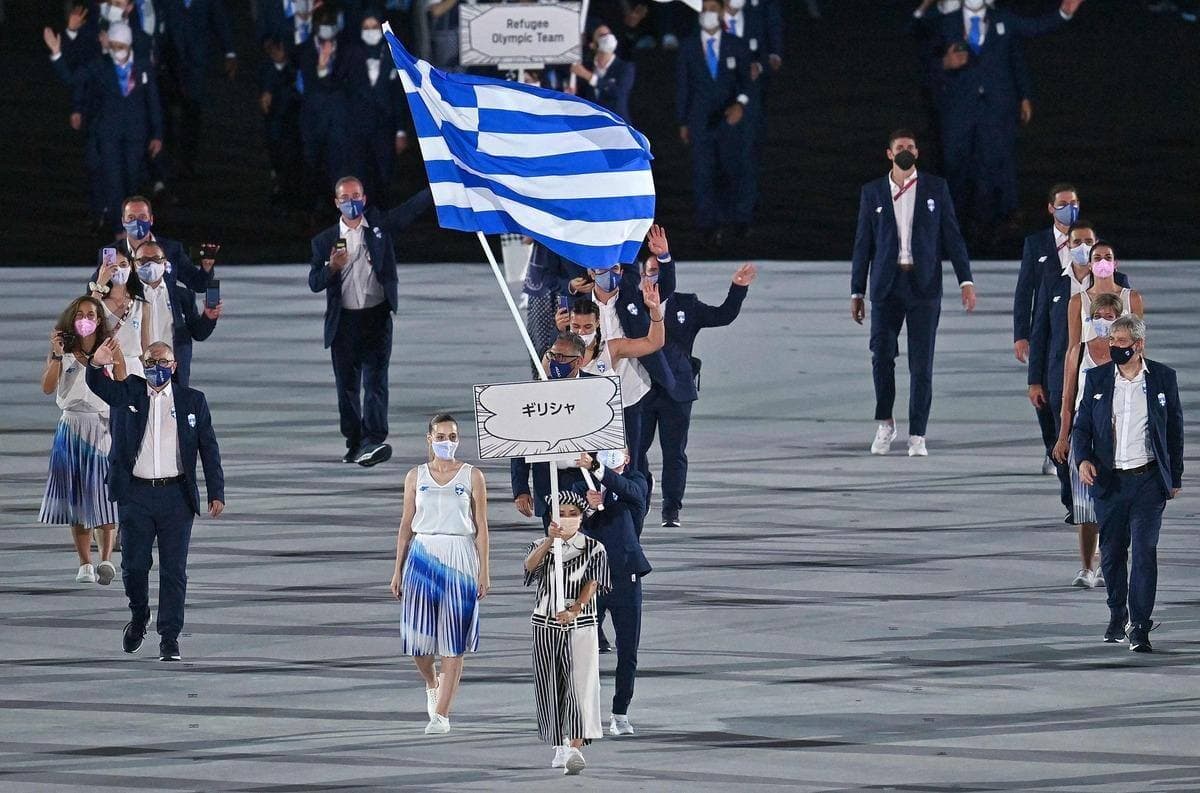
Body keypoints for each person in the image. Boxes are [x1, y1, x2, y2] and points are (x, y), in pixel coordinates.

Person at [87, 339, 225, 662]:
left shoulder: (193, 401)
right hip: (136, 495)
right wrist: (95, 364)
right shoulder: (130, 393)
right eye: (151, 362)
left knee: (174, 571)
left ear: (174, 366)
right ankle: (139, 615)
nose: (157, 368)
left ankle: (170, 637)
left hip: (176, 497)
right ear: (144, 365)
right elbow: (99, 386)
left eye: (164, 362)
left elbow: (208, 447)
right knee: (134, 566)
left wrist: (216, 491)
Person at [851, 129, 975, 457]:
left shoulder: (936, 188)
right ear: (889, 154)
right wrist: (856, 292)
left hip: (924, 288)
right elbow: (863, 244)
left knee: (922, 364)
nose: (905, 150)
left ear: (917, 153)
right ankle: (885, 423)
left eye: (910, 146)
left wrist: (965, 281)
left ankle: (917, 433)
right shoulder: (873, 192)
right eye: (899, 147)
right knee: (881, 357)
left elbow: (952, 236)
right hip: (886, 287)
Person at [923, 0, 1085, 245]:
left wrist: (1063, 13)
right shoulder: (945, 23)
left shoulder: (1003, 19)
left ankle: (993, 225)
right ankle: (954, 223)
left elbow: (1031, 31)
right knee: (956, 164)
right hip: (959, 108)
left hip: (996, 108)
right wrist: (945, 63)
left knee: (993, 164)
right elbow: (924, 59)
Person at [1071, 315, 1182, 652]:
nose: (1114, 347)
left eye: (1121, 342)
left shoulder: (1163, 378)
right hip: (1110, 483)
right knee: (1113, 554)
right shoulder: (1097, 379)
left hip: (1148, 481)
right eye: (1112, 341)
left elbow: (1174, 430)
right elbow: (1082, 427)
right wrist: (1083, 459)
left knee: (1145, 552)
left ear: (1139, 344)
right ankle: (1117, 613)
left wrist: (1174, 475)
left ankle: (1141, 626)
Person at [309, 178, 433, 466]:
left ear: (364, 199)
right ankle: (355, 442)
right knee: (347, 388)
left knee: (376, 382)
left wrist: (437, 185)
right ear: (336, 202)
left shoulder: (379, 227)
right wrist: (332, 267)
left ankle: (373, 441)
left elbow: (410, 210)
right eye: (345, 197)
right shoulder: (324, 241)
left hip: (376, 318)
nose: (351, 202)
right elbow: (314, 282)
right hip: (344, 324)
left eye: (356, 196)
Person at [389, 414, 490, 735]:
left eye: (453, 436)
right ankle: (432, 681)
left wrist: (484, 570)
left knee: (453, 639)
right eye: (441, 436)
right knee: (418, 641)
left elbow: (481, 526)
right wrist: (397, 569)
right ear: (429, 439)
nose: (448, 442)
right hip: (422, 554)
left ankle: (442, 715)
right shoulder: (415, 476)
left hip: (460, 554)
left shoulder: (473, 475)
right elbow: (406, 524)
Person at [1052, 243, 1143, 584]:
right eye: (1098, 317)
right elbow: (1067, 395)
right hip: (1085, 429)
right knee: (1084, 500)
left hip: (1119, 429)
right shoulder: (1079, 352)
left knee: (1116, 501)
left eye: (1110, 318)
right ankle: (1087, 566)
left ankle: (1109, 562)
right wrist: (1063, 435)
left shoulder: (1129, 356)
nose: (1104, 322)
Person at [1029, 220, 1131, 523]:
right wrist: (1035, 379)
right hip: (1065, 372)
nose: (1086, 250)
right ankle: (1075, 502)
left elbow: (1135, 338)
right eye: (1079, 243)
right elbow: (1041, 331)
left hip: (1111, 377)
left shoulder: (1123, 288)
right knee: (1067, 439)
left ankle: (1105, 504)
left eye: (1091, 243)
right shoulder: (1058, 285)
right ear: (1069, 246)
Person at [641, 262, 756, 528]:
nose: (655, 277)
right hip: (640, 390)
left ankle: (671, 508)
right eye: (650, 272)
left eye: (660, 272)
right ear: (642, 276)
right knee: (635, 450)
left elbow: (723, 315)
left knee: (674, 452)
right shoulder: (632, 305)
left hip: (677, 391)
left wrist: (738, 288)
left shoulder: (686, 305)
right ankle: (639, 492)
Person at [39, 296, 126, 585]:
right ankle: (84, 563)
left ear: (99, 320)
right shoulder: (63, 351)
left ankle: (106, 559)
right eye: (79, 315)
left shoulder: (110, 347)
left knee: (105, 495)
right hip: (71, 427)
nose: (85, 319)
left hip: (101, 427)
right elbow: (47, 387)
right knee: (76, 497)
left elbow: (123, 385)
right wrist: (55, 355)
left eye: (91, 314)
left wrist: (114, 360)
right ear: (71, 319)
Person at [524, 491, 610, 775]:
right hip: (545, 625)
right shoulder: (540, 545)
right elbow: (529, 568)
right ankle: (558, 744)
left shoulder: (594, 548)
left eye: (574, 514)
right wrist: (550, 540)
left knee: (581, 685)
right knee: (550, 684)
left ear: (582, 517)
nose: (568, 518)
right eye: (562, 513)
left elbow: (593, 583)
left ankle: (575, 747)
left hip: (580, 625)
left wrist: (576, 608)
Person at [53, 23, 163, 234]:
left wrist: (157, 134)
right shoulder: (100, 65)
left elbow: (153, 101)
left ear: (129, 45)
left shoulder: (142, 66)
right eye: (112, 46)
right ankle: (119, 227)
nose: (116, 51)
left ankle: (131, 221)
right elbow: (73, 79)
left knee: (131, 179)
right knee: (113, 180)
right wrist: (57, 55)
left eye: (120, 46)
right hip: (108, 133)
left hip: (135, 133)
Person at [575, 448, 650, 737]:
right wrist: (587, 507)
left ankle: (620, 713)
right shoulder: (582, 486)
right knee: (582, 648)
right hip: (590, 579)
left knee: (628, 650)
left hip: (625, 577)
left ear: (627, 457)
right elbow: (570, 524)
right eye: (604, 451)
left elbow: (629, 492)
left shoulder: (636, 482)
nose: (610, 454)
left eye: (617, 450)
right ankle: (584, 710)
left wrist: (597, 468)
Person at [1013, 183, 1080, 476]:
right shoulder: (1036, 244)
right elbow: (1024, 291)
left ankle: (1075, 446)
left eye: (1074, 203)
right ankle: (1051, 445)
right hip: (1046, 328)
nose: (1070, 209)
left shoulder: (1088, 242)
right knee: (1043, 391)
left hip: (1081, 326)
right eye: (1063, 204)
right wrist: (1021, 334)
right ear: (1051, 208)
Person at [675, 0, 754, 247]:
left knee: (732, 168)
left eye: (713, 9)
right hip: (699, 119)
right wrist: (682, 121)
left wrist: (740, 104)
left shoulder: (735, 44)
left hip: (728, 117)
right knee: (703, 172)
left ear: (721, 12)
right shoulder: (688, 46)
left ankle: (739, 218)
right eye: (705, 9)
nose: (708, 13)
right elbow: (683, 85)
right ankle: (709, 224)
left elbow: (747, 80)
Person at [512, 333, 591, 530]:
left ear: (579, 361)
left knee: (587, 542)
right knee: (555, 541)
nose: (556, 361)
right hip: (548, 482)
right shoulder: (535, 393)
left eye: (562, 357)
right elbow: (521, 441)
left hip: (587, 483)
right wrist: (521, 489)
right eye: (552, 355)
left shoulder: (598, 389)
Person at [156, 0, 238, 180]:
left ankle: (187, 162)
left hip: (197, 62)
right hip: (170, 61)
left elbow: (219, 19)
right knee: (166, 112)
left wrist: (230, 52)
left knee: (192, 111)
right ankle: (167, 159)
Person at [345, 11, 409, 207]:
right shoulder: (351, 54)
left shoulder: (392, 54)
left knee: (385, 172)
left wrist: (400, 131)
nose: (371, 31)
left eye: (374, 27)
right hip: (359, 126)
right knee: (362, 172)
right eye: (366, 28)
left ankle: (383, 211)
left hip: (384, 125)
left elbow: (398, 96)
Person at [117, 195, 217, 294]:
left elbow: (198, 285)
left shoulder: (172, 249)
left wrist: (206, 268)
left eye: (142, 217)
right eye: (131, 217)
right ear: (123, 221)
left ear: (151, 220)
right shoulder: (113, 252)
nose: (137, 222)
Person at [89, 246, 151, 373]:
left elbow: (145, 346)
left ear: (131, 266)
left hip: (133, 369)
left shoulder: (141, 305)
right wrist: (100, 283)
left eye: (123, 265)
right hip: (104, 367)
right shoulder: (97, 301)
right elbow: (86, 325)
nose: (118, 269)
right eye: (113, 265)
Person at [571, 25, 636, 123]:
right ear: (593, 45)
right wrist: (572, 93)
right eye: (602, 35)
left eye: (609, 34)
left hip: (617, 124)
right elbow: (582, 96)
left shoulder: (625, 68)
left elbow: (619, 93)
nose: (607, 38)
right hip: (593, 124)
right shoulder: (586, 67)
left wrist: (590, 77)